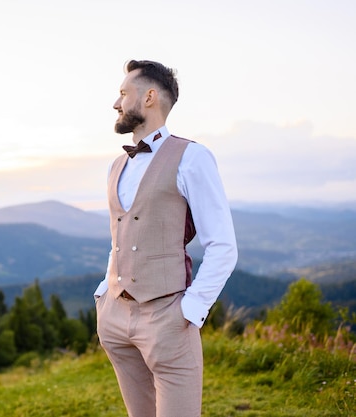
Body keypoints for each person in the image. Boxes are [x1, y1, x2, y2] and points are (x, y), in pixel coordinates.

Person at [93, 60, 238, 417]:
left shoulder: (192, 157)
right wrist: (103, 292)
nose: (115, 103)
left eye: (123, 93)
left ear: (149, 98)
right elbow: (122, 231)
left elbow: (222, 245)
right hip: (115, 315)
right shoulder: (117, 165)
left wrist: (191, 310)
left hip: (167, 317)